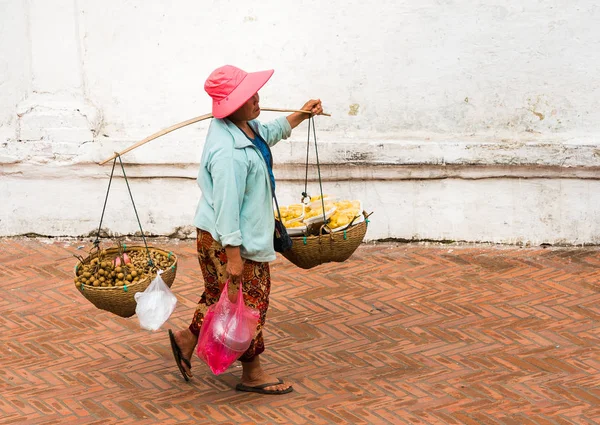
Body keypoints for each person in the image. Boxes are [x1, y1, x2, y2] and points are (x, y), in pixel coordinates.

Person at [168, 64, 323, 395]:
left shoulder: (242, 127)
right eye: (245, 96)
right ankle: (253, 373)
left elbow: (266, 133)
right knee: (250, 304)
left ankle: (185, 340)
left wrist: (299, 115)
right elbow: (227, 207)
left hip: (213, 235)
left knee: (219, 295)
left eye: (252, 91)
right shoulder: (228, 153)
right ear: (229, 105)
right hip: (229, 239)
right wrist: (235, 255)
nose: (255, 97)